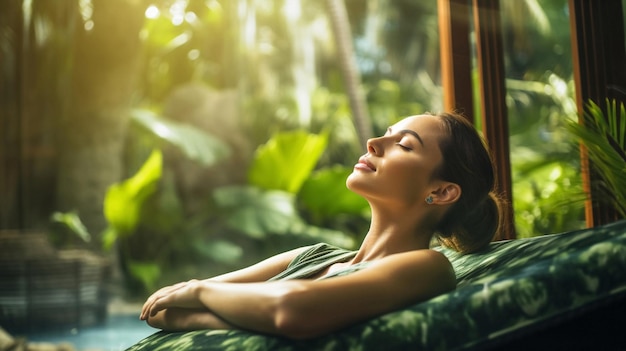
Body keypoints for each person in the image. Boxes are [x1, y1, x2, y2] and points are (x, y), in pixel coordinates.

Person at [139, 111, 505, 340]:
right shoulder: (310, 256)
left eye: (404, 145)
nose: (374, 142)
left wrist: (202, 294)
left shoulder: (428, 267)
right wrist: (251, 316)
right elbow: (162, 310)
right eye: (386, 133)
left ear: (441, 191)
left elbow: (291, 310)